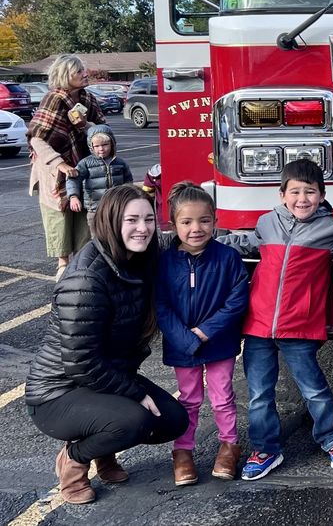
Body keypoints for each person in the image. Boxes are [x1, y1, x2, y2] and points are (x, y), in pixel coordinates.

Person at [25, 184, 188, 504]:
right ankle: (73, 460)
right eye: (132, 220)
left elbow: (190, 237)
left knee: (173, 420)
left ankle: (105, 450)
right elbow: (81, 362)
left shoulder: (140, 254)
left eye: (149, 219)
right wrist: (136, 393)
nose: (143, 228)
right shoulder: (86, 279)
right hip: (58, 392)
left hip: (105, 378)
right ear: (112, 221)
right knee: (135, 420)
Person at [218, 158, 333, 480]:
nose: (302, 199)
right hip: (259, 325)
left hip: (300, 325)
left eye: (310, 192)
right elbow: (242, 242)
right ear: (281, 195)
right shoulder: (266, 224)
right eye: (294, 192)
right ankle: (266, 449)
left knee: (314, 389)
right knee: (259, 393)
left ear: (321, 195)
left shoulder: (331, 230)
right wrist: (202, 240)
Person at [156, 182, 249, 485]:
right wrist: (186, 339)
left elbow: (237, 300)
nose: (196, 228)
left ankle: (229, 445)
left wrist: (206, 331)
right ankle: (182, 451)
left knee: (223, 397)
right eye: (187, 222)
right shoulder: (164, 262)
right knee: (189, 399)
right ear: (173, 225)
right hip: (183, 345)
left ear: (215, 221)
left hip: (218, 342)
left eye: (204, 220)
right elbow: (161, 305)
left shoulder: (227, 257)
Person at [27, 54, 106, 278]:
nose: (85, 73)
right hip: (53, 169)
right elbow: (36, 138)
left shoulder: (88, 99)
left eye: (84, 70)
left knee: (83, 211)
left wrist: (86, 125)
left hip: (83, 167)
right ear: (65, 75)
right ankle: (62, 265)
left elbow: (104, 133)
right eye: (78, 71)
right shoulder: (53, 99)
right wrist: (60, 164)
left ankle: (81, 263)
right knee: (59, 214)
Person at [65, 124, 134, 228]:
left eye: (105, 144)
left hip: (116, 207)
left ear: (112, 144)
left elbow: (128, 182)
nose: (101, 149)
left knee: (117, 234)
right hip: (95, 209)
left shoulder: (120, 163)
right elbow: (73, 179)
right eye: (96, 146)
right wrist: (73, 196)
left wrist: (127, 198)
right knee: (97, 237)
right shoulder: (86, 163)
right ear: (91, 146)